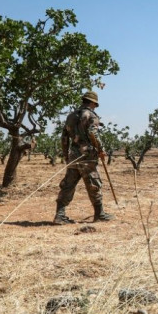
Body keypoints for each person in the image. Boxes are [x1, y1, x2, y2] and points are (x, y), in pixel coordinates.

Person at [53, 91, 115, 225]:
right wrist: (101, 149)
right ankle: (99, 214)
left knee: (68, 185)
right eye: (95, 104)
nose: (95, 107)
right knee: (94, 184)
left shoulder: (70, 116)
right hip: (87, 157)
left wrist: (66, 155)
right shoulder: (91, 115)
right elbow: (93, 133)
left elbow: (64, 137)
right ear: (92, 103)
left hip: (73, 156)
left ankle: (60, 215)